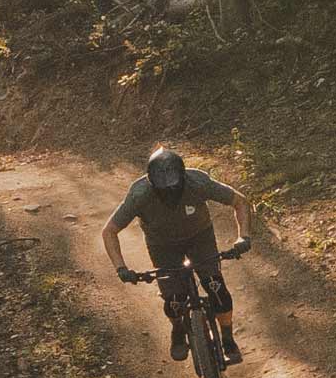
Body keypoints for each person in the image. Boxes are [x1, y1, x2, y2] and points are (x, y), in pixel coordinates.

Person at [107, 142, 254, 351]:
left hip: (199, 237)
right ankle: (177, 328)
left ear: (184, 178)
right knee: (174, 302)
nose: (169, 194)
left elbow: (239, 201)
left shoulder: (198, 182)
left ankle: (228, 338)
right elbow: (110, 231)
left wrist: (243, 237)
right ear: (151, 184)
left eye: (175, 188)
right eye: (162, 190)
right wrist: (120, 268)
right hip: (162, 246)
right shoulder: (139, 195)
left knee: (216, 288)